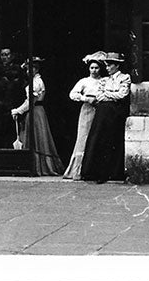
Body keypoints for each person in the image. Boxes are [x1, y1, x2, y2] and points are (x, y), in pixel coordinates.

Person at [80, 52, 131, 184]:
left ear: (117, 66)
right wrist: (111, 94)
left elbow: (122, 94)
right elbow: (99, 95)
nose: (107, 68)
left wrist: (108, 94)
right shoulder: (104, 80)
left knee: (112, 139)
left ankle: (113, 172)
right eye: (106, 65)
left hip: (115, 112)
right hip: (103, 112)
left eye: (110, 65)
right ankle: (97, 172)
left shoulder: (124, 78)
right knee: (99, 138)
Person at [11, 57, 64, 176]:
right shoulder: (34, 81)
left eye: (31, 69)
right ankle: (36, 166)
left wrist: (18, 111)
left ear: (36, 69)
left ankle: (40, 167)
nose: (29, 71)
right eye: (27, 69)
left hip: (35, 110)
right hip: (36, 111)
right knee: (34, 137)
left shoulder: (36, 82)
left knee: (37, 137)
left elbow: (31, 101)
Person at [62, 52, 107, 180]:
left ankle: (93, 170)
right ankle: (77, 170)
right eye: (92, 68)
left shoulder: (104, 81)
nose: (94, 70)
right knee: (84, 136)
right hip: (87, 109)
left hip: (99, 109)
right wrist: (86, 98)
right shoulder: (84, 81)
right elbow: (72, 94)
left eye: (96, 68)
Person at [0, 47, 25, 148]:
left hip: (13, 107)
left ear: (11, 56)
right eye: (2, 55)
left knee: (12, 134)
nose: (5, 57)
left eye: (7, 54)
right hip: (0, 108)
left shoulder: (17, 70)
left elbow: (20, 88)